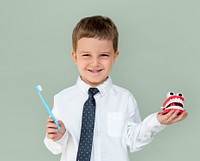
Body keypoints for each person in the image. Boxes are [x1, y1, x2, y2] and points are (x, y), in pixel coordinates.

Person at [44, 15, 188, 161]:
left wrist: (157, 121)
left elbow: (133, 141)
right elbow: (55, 147)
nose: (95, 63)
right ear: (75, 57)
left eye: (104, 55)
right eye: (86, 55)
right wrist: (57, 137)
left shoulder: (124, 98)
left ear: (115, 56)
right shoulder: (62, 99)